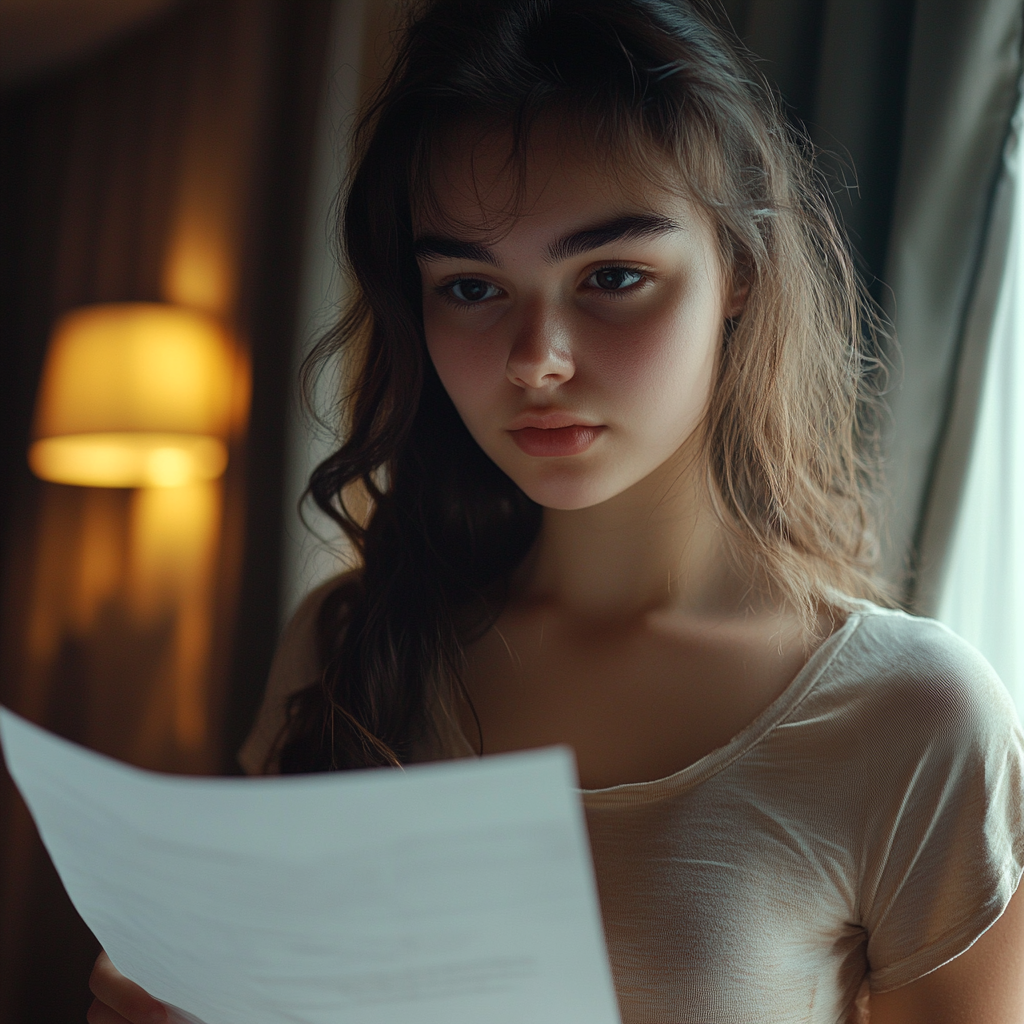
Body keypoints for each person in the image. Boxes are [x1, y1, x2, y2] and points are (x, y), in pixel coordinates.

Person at [88, 0, 1024, 1021]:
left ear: (740, 273)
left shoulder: (911, 718)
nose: (536, 359)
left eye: (612, 276)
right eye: (471, 288)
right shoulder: (346, 646)